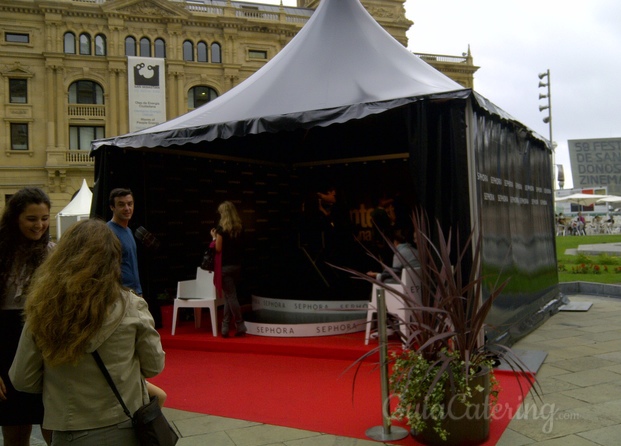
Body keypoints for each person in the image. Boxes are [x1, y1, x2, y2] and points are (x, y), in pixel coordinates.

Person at [9, 219, 165, 445]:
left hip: (69, 428)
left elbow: (23, 379)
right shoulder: (132, 306)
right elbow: (154, 365)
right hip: (125, 425)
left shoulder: (42, 309)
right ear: (113, 259)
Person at [0, 187, 53, 446]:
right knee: (14, 432)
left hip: (43, 346)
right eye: (31, 219)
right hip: (6, 347)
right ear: (15, 218)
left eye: (44, 218)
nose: (39, 225)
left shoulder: (52, 253)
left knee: (52, 426)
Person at [210, 201, 247, 338]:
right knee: (229, 296)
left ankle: (240, 324)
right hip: (237, 266)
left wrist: (214, 238)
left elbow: (218, 248)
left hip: (225, 267)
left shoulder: (221, 229)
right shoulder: (240, 227)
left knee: (231, 296)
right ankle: (225, 327)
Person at [107, 188, 142, 296]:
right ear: (112, 207)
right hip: (120, 294)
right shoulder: (107, 232)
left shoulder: (129, 231)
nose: (127, 208)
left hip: (134, 293)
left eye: (130, 204)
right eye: (121, 205)